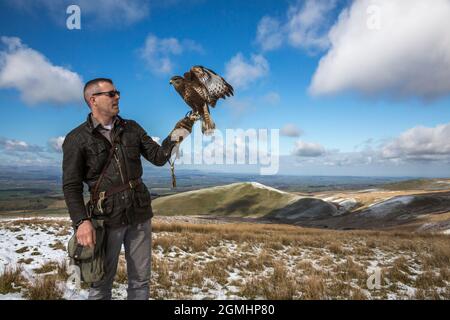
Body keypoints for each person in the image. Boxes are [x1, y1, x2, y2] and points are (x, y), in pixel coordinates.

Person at [62, 78, 194, 300]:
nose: (118, 97)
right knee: (101, 282)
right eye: (111, 94)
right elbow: (71, 185)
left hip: (139, 214)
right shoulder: (76, 139)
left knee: (140, 281)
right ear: (93, 100)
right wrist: (81, 222)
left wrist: (182, 128)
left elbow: (159, 157)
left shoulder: (131, 128)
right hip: (106, 220)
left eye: (117, 92)